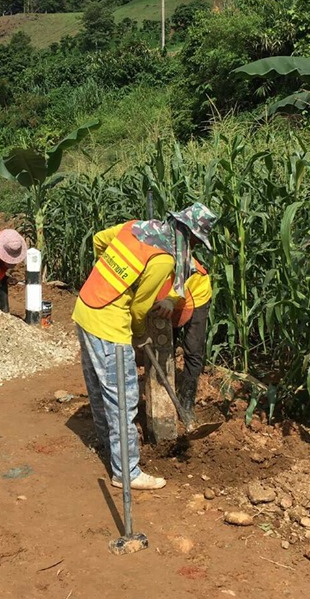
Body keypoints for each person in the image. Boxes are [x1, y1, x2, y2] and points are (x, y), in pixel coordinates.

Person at [71, 203, 216, 491]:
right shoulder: (163, 259)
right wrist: (139, 335)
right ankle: (127, 471)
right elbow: (139, 308)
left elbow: (99, 240)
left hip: (85, 307)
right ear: (188, 235)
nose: (195, 247)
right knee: (123, 399)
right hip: (109, 324)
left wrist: (108, 281)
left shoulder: (135, 227)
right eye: (196, 241)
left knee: (99, 389)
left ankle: (106, 445)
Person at [169, 258, 212, 415]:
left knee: (193, 348)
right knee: (164, 346)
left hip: (196, 295)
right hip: (167, 298)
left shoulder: (179, 259)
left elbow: (179, 285)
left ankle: (187, 401)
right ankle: (167, 392)